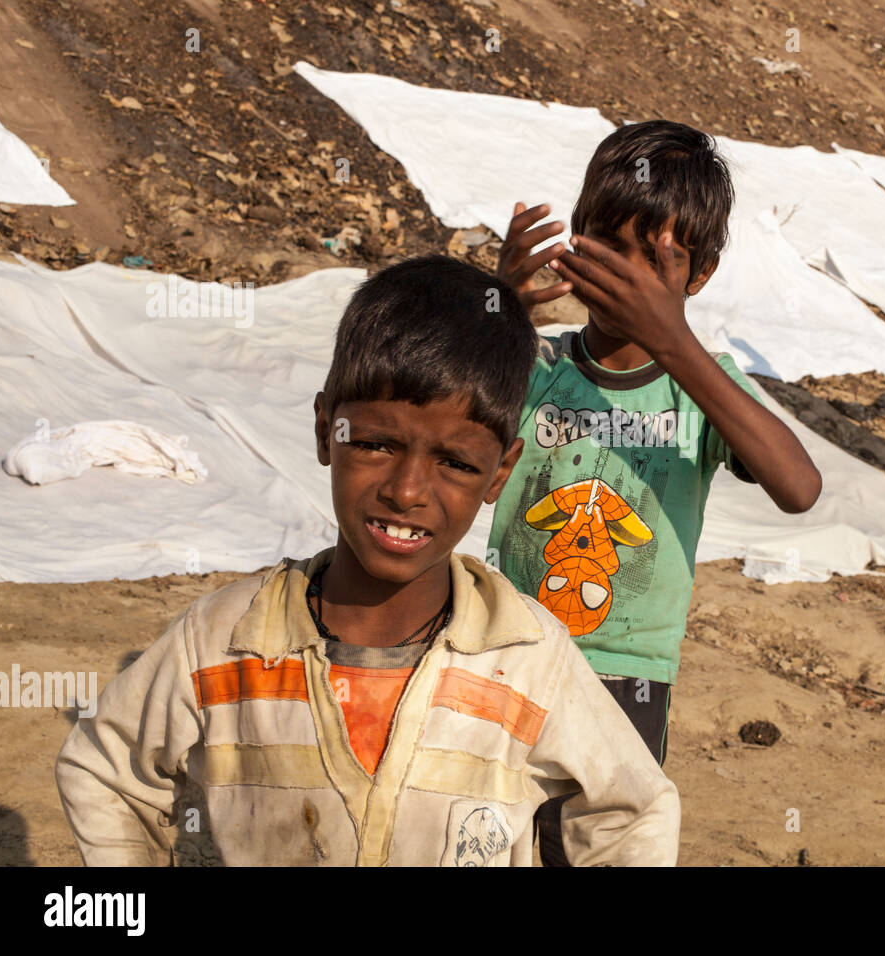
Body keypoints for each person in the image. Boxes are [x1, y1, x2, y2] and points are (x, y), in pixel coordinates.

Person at [55, 256, 680, 866]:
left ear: (499, 473)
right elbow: (107, 769)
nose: (407, 491)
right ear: (328, 429)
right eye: (378, 444)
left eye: (455, 462)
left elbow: (633, 809)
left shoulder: (528, 658)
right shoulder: (222, 642)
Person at [493, 119, 822, 864]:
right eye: (612, 247)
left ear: (697, 276)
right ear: (577, 242)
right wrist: (495, 310)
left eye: (656, 260)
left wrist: (675, 341)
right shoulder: (536, 366)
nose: (630, 279)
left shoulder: (700, 393)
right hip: (508, 649)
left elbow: (799, 488)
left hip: (627, 678)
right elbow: (451, 436)